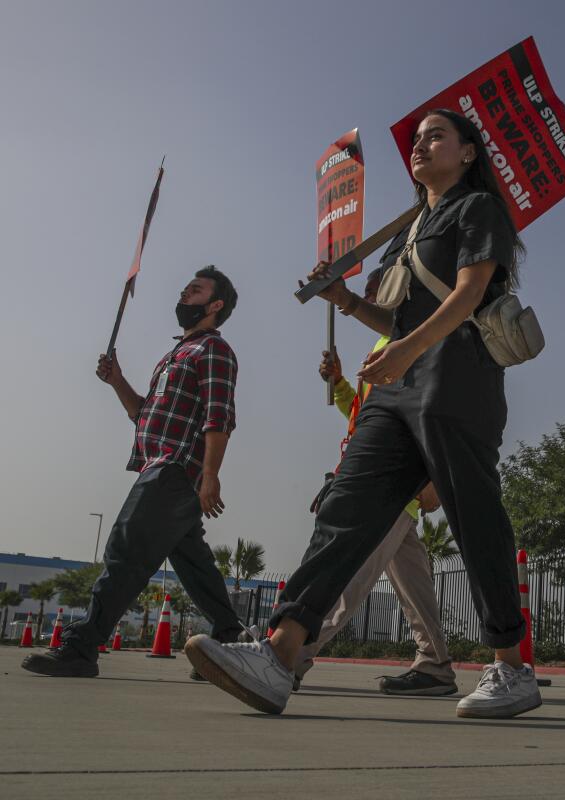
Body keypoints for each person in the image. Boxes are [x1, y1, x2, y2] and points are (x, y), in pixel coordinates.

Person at [185, 108, 538, 719]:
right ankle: (279, 655)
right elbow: (394, 319)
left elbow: (471, 293)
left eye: (437, 136)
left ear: (470, 153)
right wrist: (344, 299)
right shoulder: (409, 229)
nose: (422, 146)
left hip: (457, 380)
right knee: (344, 510)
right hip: (395, 389)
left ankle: (511, 666)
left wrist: (403, 350)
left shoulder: (477, 210)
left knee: (475, 518)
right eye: (418, 139)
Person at [23, 268, 243, 677]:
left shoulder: (213, 350)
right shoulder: (175, 355)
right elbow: (142, 415)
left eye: (195, 290)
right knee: (194, 564)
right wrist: (117, 380)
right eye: (184, 289)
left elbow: (219, 416)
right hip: (159, 463)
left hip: (174, 469)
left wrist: (210, 475)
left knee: (125, 551)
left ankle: (83, 647)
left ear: (215, 306)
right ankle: (232, 643)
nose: (184, 294)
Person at [296, 265, 457, 696]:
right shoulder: (384, 345)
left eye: (375, 290)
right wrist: (340, 383)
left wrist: (434, 478)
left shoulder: (415, 342)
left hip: (388, 489)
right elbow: (364, 418)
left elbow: (429, 416)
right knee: (416, 587)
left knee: (347, 578)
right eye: (365, 291)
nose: (367, 297)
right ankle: (435, 663)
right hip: (381, 485)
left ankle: (291, 655)